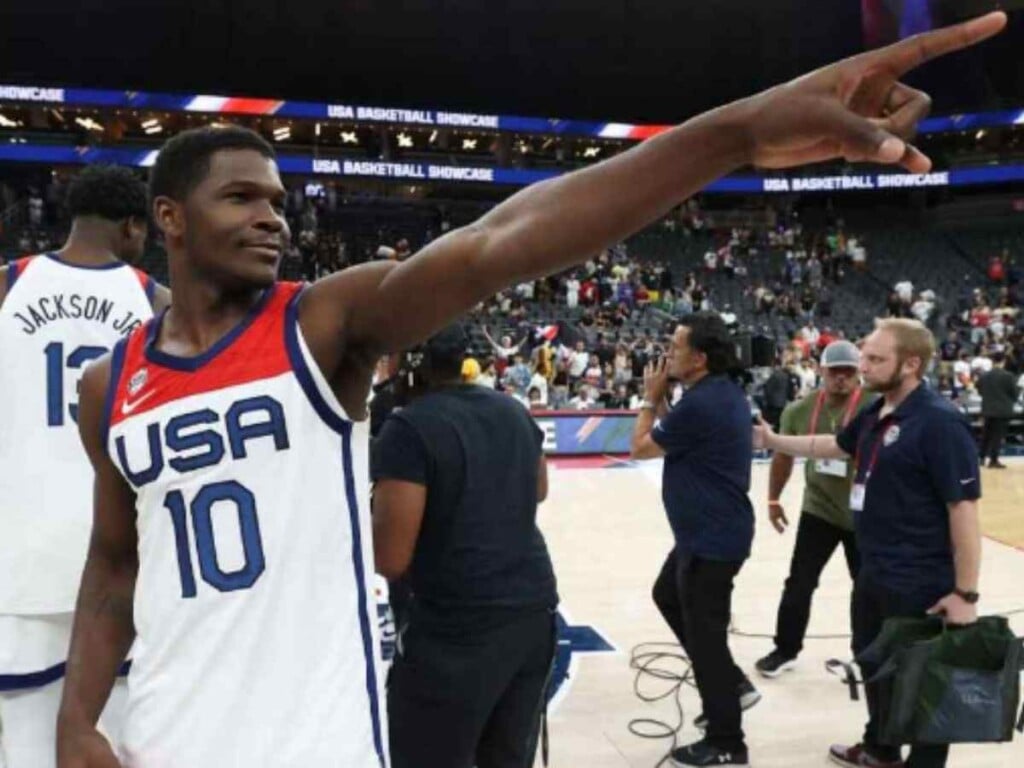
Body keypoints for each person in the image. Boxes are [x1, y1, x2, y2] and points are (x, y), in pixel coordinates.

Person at [55, 13, 1007, 767]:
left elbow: (499, 240)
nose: (273, 216)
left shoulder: (322, 325)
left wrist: (733, 133)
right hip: (166, 728)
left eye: (277, 198)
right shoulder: (114, 382)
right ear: (169, 219)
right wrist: (77, 720)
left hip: (319, 736)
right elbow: (111, 566)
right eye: (241, 198)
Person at [755, 318, 982, 768]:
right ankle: (880, 748)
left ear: (911, 364)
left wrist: (965, 594)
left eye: (876, 359)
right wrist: (773, 439)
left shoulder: (939, 422)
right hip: (875, 572)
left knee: (922, 684)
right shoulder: (876, 411)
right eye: (865, 357)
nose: (864, 366)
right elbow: (835, 446)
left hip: (920, 579)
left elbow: (965, 511)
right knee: (874, 662)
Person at [0, 166, 168, 768]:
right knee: (114, 738)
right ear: (132, 226)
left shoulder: (8, 283)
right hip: (122, 555)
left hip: (19, 552)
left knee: (24, 745)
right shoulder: (158, 302)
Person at [372, 325, 556, 768]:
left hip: (459, 627)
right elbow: (539, 490)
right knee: (505, 756)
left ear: (412, 366)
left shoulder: (409, 427)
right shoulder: (511, 409)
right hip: (533, 611)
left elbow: (391, 559)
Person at [630, 314, 759, 766]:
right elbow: (677, 436)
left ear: (699, 358)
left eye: (676, 346)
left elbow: (641, 446)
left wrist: (650, 400)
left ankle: (727, 742)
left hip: (712, 538)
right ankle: (731, 683)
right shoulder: (711, 395)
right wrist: (665, 402)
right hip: (706, 533)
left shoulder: (705, 401)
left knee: (707, 639)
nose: (668, 353)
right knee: (667, 594)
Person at [755, 341, 874, 678]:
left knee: (866, 588)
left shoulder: (875, 407)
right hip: (819, 509)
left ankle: (865, 655)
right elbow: (783, 457)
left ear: (858, 374)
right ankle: (785, 649)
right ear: (820, 370)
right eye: (834, 371)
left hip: (865, 514)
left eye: (848, 372)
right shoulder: (799, 411)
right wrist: (773, 500)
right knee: (799, 583)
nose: (840, 378)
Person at [975, 352, 1018, 469]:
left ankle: (981, 458)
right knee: (997, 436)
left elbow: (978, 388)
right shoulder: (1008, 376)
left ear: (993, 361)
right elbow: (1014, 394)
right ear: (1003, 361)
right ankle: (993, 460)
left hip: (987, 408)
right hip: (1003, 410)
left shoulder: (985, 376)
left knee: (986, 435)